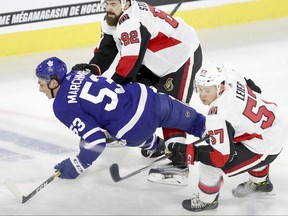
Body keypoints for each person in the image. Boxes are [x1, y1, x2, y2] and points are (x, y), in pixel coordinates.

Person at [72, 0, 202, 184]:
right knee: (134, 100)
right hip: (152, 61)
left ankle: (179, 165)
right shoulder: (112, 19)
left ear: (125, 4)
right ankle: (150, 142)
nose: (109, 8)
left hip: (180, 58)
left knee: (172, 111)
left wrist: (114, 88)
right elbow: (106, 50)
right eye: (106, 3)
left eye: (113, 4)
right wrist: (93, 68)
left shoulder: (131, 21)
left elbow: (129, 62)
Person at [35, 56, 206, 181]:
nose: (40, 89)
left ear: (54, 82)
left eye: (41, 83)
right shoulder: (77, 73)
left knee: (124, 131)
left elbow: (96, 141)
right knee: (198, 122)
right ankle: (224, 138)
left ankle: (156, 145)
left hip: (135, 128)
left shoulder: (61, 107)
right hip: (151, 100)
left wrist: (79, 163)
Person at [167, 61, 287, 211]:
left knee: (210, 165)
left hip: (267, 143)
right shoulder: (230, 78)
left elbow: (220, 158)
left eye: (208, 91)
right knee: (249, 138)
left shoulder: (217, 116)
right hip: (274, 123)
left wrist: (191, 153)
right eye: (200, 89)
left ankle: (207, 200)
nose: (203, 95)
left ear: (220, 86)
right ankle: (260, 182)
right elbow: (249, 84)